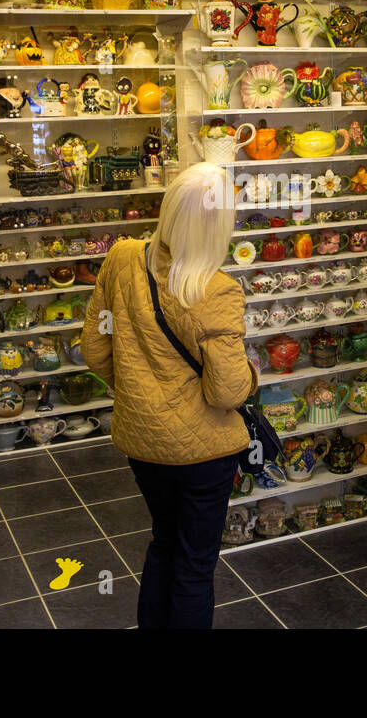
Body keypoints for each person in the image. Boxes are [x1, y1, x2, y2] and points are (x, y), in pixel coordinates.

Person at [82, 163, 257, 628]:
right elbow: (226, 391)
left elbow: (94, 347)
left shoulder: (121, 257)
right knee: (195, 565)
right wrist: (252, 379)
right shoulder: (217, 290)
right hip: (204, 453)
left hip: (142, 443)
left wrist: (136, 391)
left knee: (163, 542)